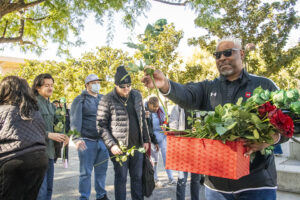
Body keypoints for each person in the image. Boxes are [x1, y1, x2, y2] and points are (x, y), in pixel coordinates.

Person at [142, 36, 289, 200]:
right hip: (216, 188)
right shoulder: (208, 88)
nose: (222, 58)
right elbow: (187, 95)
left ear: (241, 53)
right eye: (217, 55)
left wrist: (273, 138)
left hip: (257, 184)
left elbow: (291, 122)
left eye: (228, 53)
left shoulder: (264, 85)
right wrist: (165, 85)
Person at [97, 66, 150, 200]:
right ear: (115, 85)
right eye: (123, 86)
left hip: (137, 146)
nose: (126, 89)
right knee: (121, 178)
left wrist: (146, 139)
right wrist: (111, 145)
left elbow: (142, 118)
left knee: (137, 177)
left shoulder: (137, 95)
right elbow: (101, 125)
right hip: (119, 148)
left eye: (128, 85)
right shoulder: (107, 99)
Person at [0, 76, 48, 200]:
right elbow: (43, 132)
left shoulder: (2, 110)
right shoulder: (34, 111)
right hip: (39, 159)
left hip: (12, 160)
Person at [70, 74, 109, 200]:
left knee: (101, 172)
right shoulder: (80, 99)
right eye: (93, 82)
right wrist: (76, 139)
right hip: (87, 141)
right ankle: (84, 197)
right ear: (87, 85)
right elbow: (74, 121)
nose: (96, 84)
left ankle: (101, 195)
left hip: (102, 141)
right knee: (85, 173)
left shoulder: (103, 98)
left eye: (98, 82)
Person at [33, 73, 69, 200]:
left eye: (52, 85)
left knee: (49, 189)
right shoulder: (33, 103)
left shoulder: (50, 105)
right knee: (40, 193)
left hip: (50, 153)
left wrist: (64, 135)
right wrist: (49, 134)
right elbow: (30, 128)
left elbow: (56, 126)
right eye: (46, 85)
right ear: (38, 87)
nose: (50, 88)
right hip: (38, 154)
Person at [169, 105, 204, 200]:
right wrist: (182, 133)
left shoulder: (198, 108)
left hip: (196, 148)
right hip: (182, 148)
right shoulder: (177, 108)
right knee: (182, 179)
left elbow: (203, 125)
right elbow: (172, 127)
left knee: (196, 180)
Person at [145, 96, 176, 186]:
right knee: (155, 160)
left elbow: (166, 119)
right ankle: (155, 179)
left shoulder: (161, 109)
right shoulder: (146, 111)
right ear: (149, 104)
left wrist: (165, 124)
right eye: (154, 107)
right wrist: (154, 142)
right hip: (152, 138)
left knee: (166, 158)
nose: (156, 108)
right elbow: (148, 128)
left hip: (162, 137)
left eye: (157, 106)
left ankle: (171, 178)